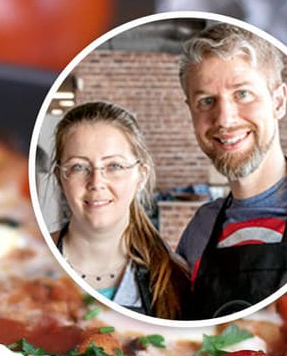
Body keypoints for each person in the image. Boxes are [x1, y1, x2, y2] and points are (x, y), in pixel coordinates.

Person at [175, 22, 287, 319]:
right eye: (206, 101)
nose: (225, 119)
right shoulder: (200, 228)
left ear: (278, 101)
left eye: (243, 94)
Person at [51, 101, 190, 319]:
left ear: (141, 176)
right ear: (60, 177)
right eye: (79, 167)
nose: (96, 182)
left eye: (114, 166)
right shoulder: (26, 262)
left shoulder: (177, 279)